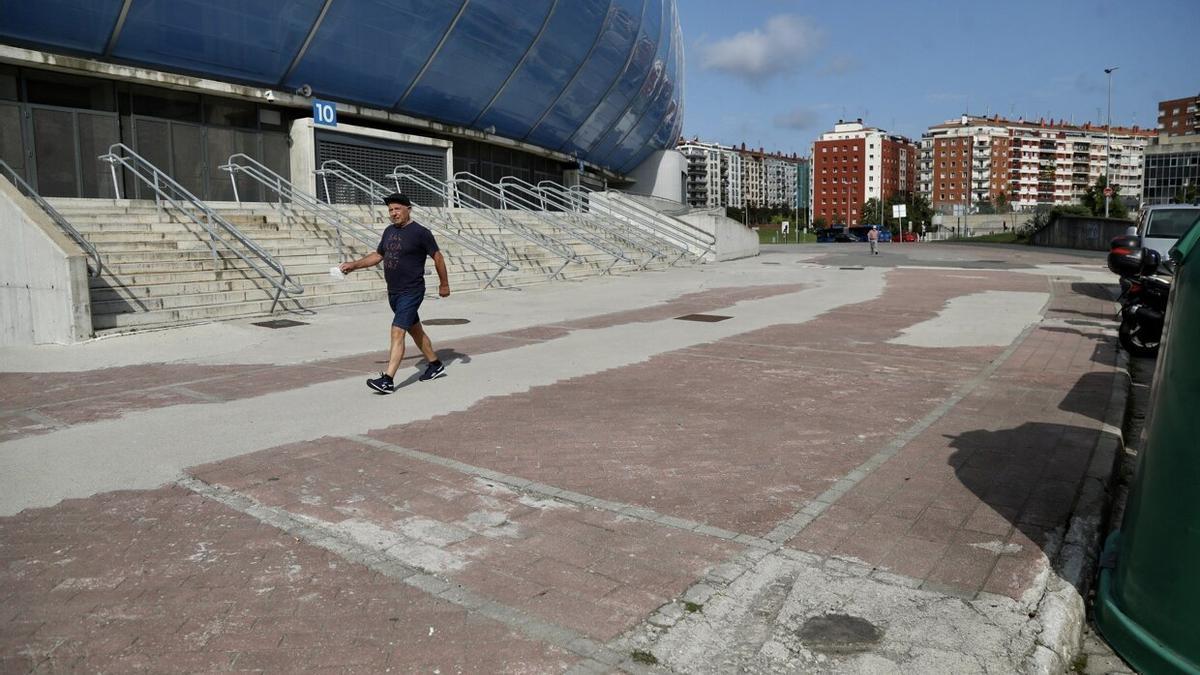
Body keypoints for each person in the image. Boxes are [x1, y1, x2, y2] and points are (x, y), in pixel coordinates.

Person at [340, 193, 450, 394]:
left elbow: (438, 258)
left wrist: (444, 284)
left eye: (397, 209)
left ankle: (388, 380)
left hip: (412, 290)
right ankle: (435, 365)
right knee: (415, 330)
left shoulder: (421, 233)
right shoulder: (389, 231)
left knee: (397, 331)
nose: (393, 213)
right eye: (390, 210)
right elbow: (378, 255)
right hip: (394, 292)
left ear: (409, 209)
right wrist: (354, 265)